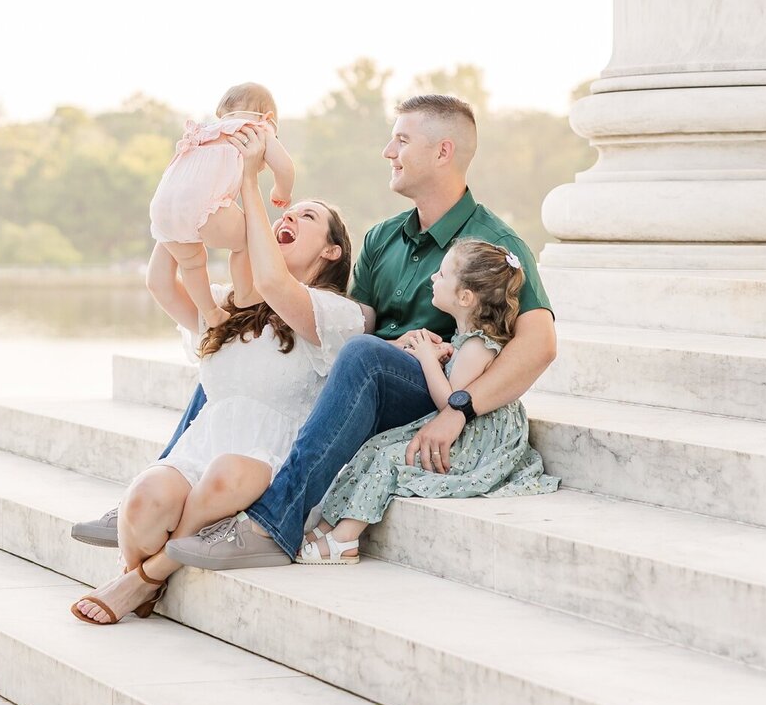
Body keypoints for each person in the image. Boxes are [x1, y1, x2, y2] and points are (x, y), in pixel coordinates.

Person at [71, 93, 556, 565]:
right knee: (235, 352)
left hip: (433, 385)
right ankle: (159, 484)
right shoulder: (382, 237)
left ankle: (274, 520)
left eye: (402, 141)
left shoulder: (494, 241)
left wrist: (458, 409)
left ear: (442, 151)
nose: (389, 151)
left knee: (357, 355)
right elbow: (355, 320)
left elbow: (539, 345)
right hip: (363, 374)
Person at [69, 168, 366, 623]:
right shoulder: (229, 305)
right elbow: (161, 283)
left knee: (226, 474)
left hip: (272, 455)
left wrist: (249, 180)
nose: (287, 218)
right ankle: (142, 575)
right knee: (144, 497)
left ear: (332, 250)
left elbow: (272, 283)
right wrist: (183, 191)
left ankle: (142, 580)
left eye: (306, 216)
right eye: (287, 213)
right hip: (204, 444)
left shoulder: (333, 315)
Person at [298, 239, 559, 563]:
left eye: (442, 275)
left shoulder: (477, 346)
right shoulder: (466, 342)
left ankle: (345, 539)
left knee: (389, 461)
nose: (433, 278)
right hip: (466, 427)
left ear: (465, 297)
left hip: (476, 438)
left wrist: (426, 358)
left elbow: (449, 401)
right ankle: (326, 524)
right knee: (373, 447)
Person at [147, 81, 295, 329]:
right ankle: (245, 293)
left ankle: (211, 312)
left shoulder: (205, 132)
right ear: (268, 117)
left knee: (191, 262)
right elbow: (286, 167)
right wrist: (281, 190)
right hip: (203, 207)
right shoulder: (257, 128)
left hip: (162, 208)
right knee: (250, 238)